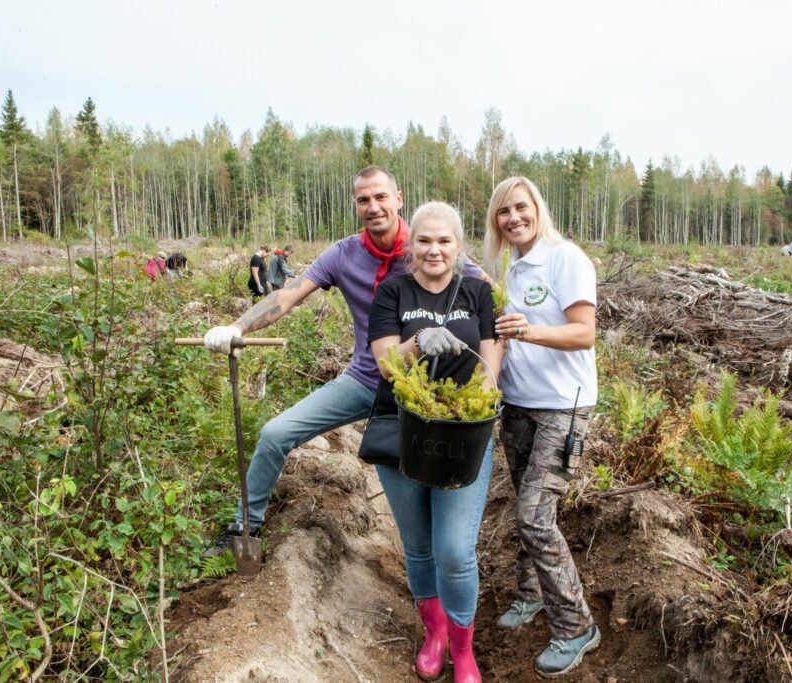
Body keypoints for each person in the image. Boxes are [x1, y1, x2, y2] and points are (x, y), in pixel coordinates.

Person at [200, 167, 485, 555]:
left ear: (398, 198)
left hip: (430, 393)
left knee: (440, 493)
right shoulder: (343, 254)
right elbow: (289, 294)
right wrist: (237, 325)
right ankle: (243, 528)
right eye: (364, 200)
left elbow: (488, 297)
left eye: (381, 197)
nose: (374, 207)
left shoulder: (426, 245)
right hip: (368, 381)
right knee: (275, 433)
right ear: (356, 205)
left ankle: (449, 564)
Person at [367, 201, 502, 683]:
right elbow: (387, 364)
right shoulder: (392, 291)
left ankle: (464, 650)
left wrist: (461, 414)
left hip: (462, 437)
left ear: (458, 246)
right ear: (411, 246)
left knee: (454, 550)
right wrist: (420, 339)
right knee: (419, 545)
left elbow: (490, 370)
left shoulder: (479, 292)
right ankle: (436, 633)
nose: (434, 250)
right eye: (424, 240)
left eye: (444, 241)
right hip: (403, 430)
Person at [484, 176, 601, 678]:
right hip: (518, 405)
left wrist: (529, 330)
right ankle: (531, 595)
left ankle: (576, 625)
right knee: (524, 504)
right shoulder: (507, 266)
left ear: (537, 208)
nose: (513, 218)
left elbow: (584, 332)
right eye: (503, 212)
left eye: (520, 207)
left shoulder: (564, 258)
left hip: (563, 407)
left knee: (535, 513)